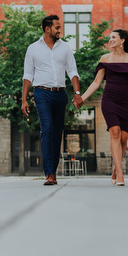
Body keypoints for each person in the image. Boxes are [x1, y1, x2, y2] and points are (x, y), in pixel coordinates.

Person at [22, 15, 83, 186]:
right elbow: (28, 75)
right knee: (47, 129)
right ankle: (49, 173)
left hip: (60, 95)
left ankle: (53, 172)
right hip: (41, 93)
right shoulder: (33, 49)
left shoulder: (65, 48)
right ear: (47, 28)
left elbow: (72, 70)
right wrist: (24, 99)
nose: (60, 30)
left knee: (56, 133)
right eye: (57, 27)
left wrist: (77, 93)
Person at [77, 29, 128, 186]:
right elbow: (96, 82)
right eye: (110, 37)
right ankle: (120, 173)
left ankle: (115, 167)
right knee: (115, 133)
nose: (110, 40)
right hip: (109, 100)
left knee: (124, 138)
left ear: (122, 40)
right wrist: (82, 97)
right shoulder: (105, 58)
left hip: (126, 101)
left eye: (113, 37)